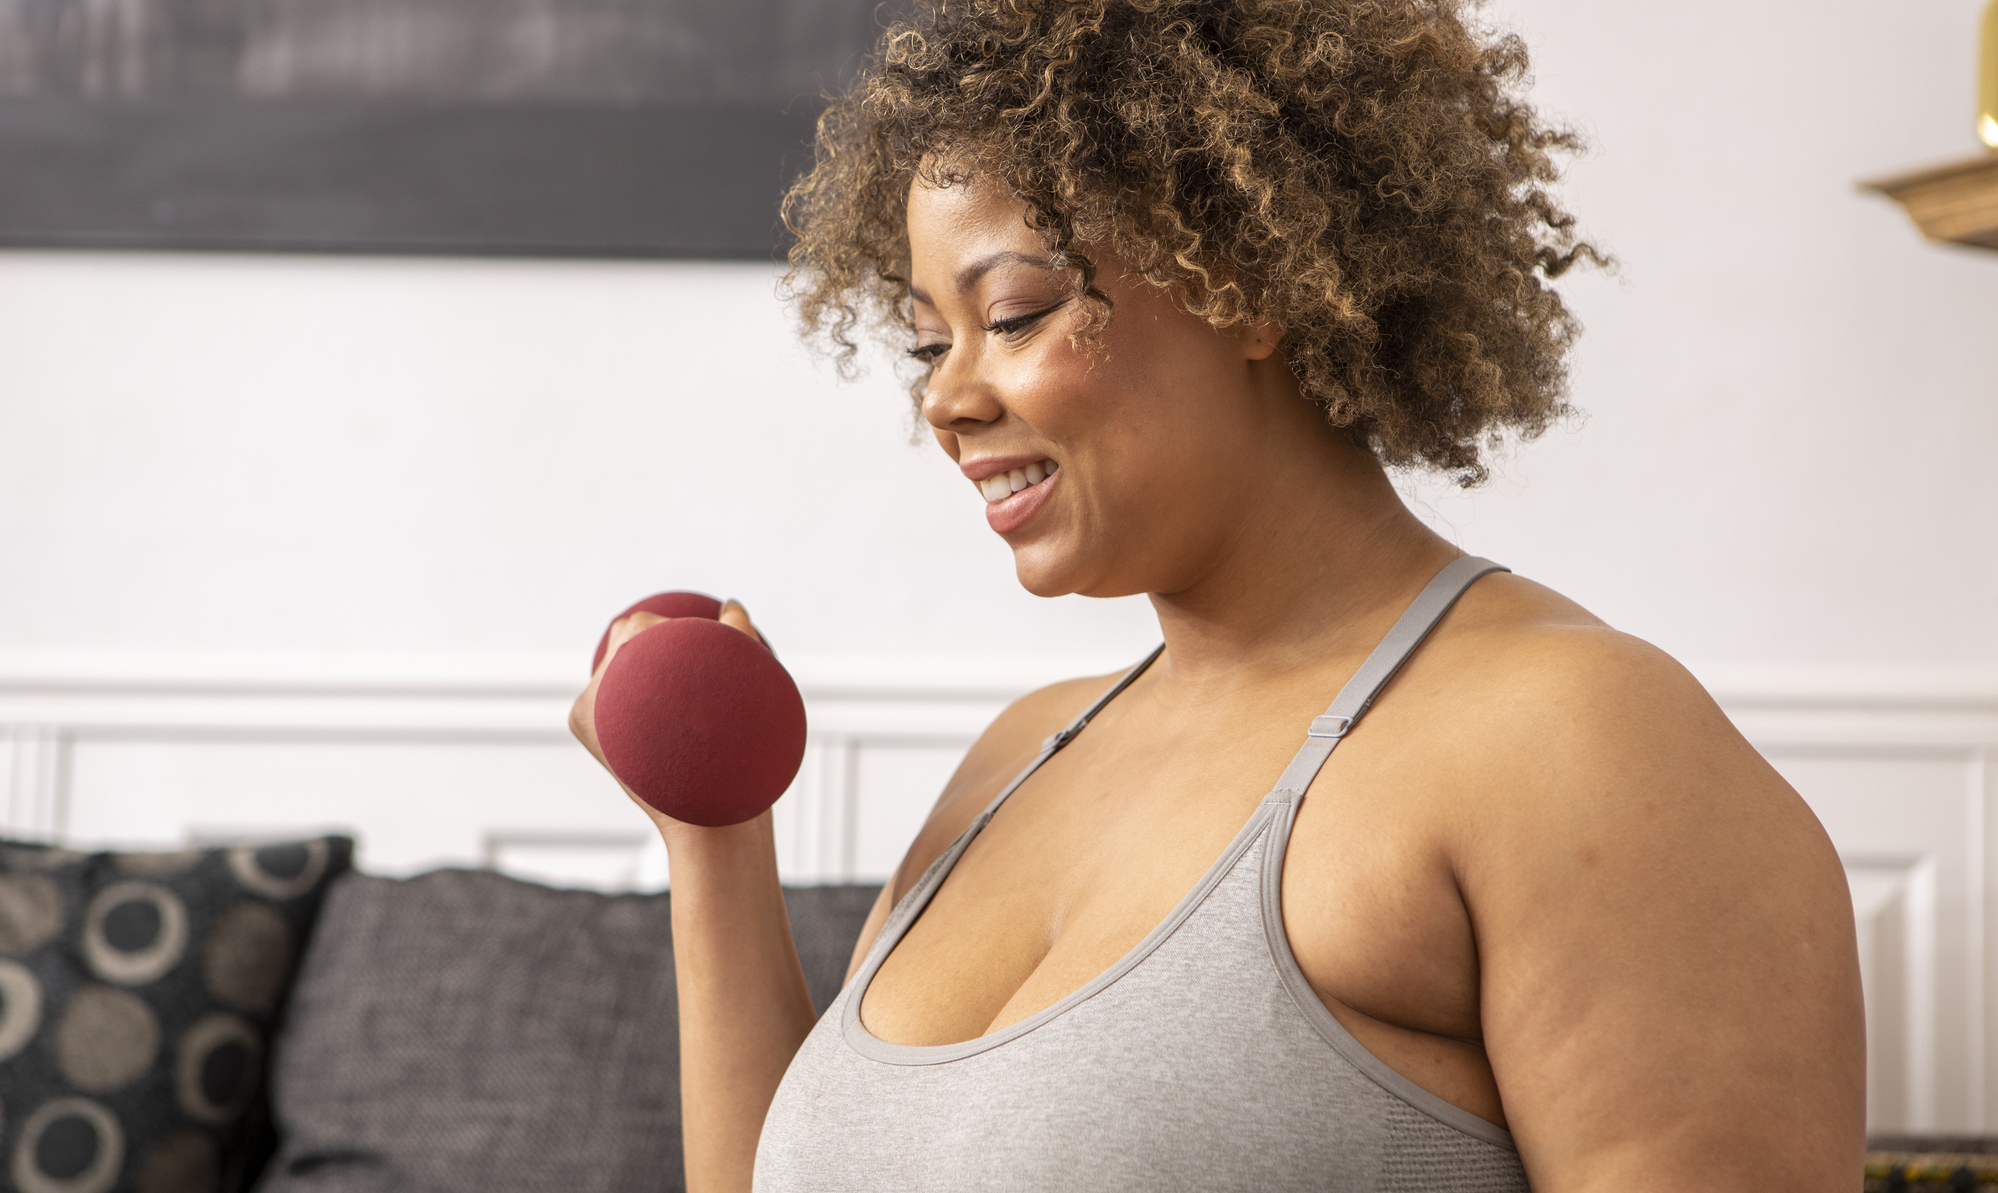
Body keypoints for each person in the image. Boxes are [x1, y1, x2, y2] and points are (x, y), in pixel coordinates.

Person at [568, 1, 1866, 1189]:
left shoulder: (1573, 739)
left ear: (1245, 277)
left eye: (1012, 313)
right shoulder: (1021, 754)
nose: (946, 399)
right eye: (927, 338)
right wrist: (713, 837)